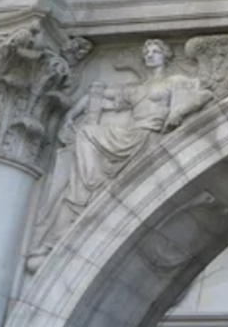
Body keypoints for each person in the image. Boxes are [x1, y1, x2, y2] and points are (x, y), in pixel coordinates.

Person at [26, 39, 212, 272]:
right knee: (87, 133)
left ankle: (88, 190)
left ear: (166, 56)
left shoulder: (175, 81)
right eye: (147, 52)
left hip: (150, 136)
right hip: (129, 136)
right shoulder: (135, 88)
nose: (151, 55)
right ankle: (87, 186)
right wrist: (71, 114)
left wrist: (178, 112)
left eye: (156, 52)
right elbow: (99, 96)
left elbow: (202, 95)